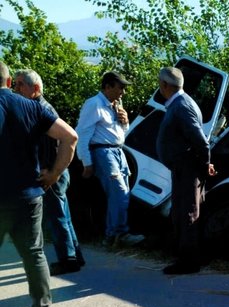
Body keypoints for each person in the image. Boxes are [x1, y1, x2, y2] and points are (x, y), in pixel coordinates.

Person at [0, 61, 79, 307]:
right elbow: (70, 137)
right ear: (10, 82)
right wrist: (55, 173)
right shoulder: (33, 107)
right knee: (34, 254)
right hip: (29, 195)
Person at [14, 69, 85, 275]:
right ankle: (75, 256)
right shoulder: (39, 107)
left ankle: (68, 260)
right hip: (55, 171)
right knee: (64, 215)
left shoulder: (41, 110)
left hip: (53, 172)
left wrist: (53, 172)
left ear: (35, 89)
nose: (16, 89)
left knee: (58, 217)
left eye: (20, 85)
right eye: (15, 84)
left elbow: (62, 142)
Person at [155, 67, 215, 275]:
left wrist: (206, 163)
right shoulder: (181, 102)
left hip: (187, 165)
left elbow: (200, 141)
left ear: (164, 85)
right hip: (185, 165)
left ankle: (188, 261)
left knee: (187, 211)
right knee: (186, 210)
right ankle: (190, 256)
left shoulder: (181, 106)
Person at [75, 71, 145, 248]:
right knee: (120, 194)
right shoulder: (94, 104)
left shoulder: (115, 105)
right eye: (120, 87)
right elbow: (82, 134)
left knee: (121, 195)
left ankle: (114, 235)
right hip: (103, 153)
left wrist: (125, 122)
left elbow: (119, 134)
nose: (123, 92)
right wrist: (86, 162)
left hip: (118, 152)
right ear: (107, 87)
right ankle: (117, 234)